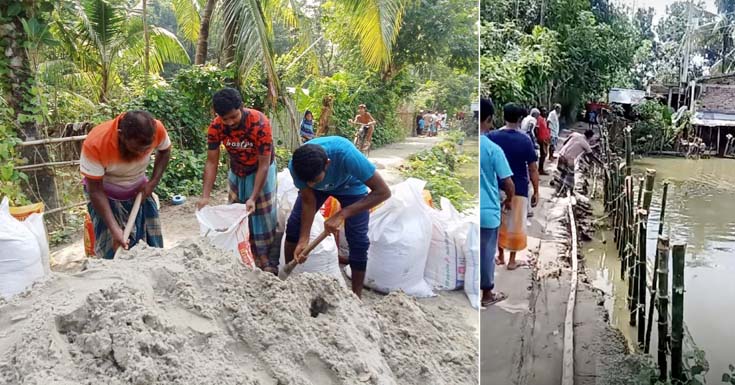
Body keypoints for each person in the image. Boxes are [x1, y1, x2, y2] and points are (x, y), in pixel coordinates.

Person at [283, 136, 391, 297]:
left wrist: (342, 214)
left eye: (315, 180)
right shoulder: (297, 166)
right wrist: (303, 239)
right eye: (308, 182)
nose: (311, 184)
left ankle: (356, 296)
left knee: (358, 241)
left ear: (327, 163)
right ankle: (287, 283)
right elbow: (308, 200)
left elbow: (383, 192)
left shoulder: (346, 155)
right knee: (294, 226)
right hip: (318, 192)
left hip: (351, 186)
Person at [197, 88, 278, 274]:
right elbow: (211, 162)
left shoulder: (260, 123)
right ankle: (244, 247)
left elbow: (264, 164)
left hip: (261, 170)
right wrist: (205, 196)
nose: (230, 122)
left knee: (262, 213)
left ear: (241, 107)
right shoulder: (216, 127)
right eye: (225, 119)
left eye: (233, 117)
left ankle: (264, 255)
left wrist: (253, 196)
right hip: (237, 169)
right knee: (237, 210)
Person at [80, 110, 171, 259]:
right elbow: (95, 190)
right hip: (105, 195)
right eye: (136, 149)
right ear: (121, 135)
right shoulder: (96, 143)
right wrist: (115, 229)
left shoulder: (157, 129)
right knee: (112, 250)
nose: (141, 154)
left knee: (152, 246)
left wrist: (152, 183)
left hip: (139, 190)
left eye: (146, 149)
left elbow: (165, 151)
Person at [487, 103, 540, 271]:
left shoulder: (492, 136)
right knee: (516, 224)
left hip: (498, 187)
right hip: (519, 187)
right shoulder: (525, 139)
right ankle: (512, 260)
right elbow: (533, 168)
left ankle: (500, 256)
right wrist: (536, 191)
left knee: (501, 222)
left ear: (503, 116)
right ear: (520, 119)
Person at [480, 98, 515, 307]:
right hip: (487, 212)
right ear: (489, 119)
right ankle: (486, 295)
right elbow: (508, 183)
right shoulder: (493, 149)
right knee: (486, 253)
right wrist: (509, 200)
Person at [555, 129, 602, 196]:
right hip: (569, 159)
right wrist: (600, 164)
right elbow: (591, 156)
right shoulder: (585, 144)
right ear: (590, 137)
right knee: (571, 176)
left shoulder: (575, 134)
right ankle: (570, 192)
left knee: (563, 173)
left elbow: (565, 142)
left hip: (561, 155)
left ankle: (559, 189)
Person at [536, 107, 551, 175]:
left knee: (544, 154)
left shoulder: (544, 119)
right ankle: (540, 169)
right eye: (543, 111)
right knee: (543, 154)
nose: (545, 112)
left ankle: (541, 169)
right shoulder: (539, 119)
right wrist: (537, 138)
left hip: (545, 139)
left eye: (545, 111)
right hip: (541, 139)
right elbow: (536, 129)